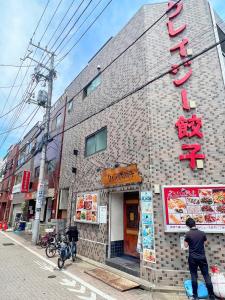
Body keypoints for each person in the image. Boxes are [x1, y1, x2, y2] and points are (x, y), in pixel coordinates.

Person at [184, 218, 215, 300]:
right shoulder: (202, 233)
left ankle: (195, 296)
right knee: (206, 275)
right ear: (195, 224)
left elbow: (185, 246)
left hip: (192, 258)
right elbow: (205, 243)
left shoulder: (188, 234)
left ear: (188, 226)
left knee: (194, 275)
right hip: (202, 257)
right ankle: (211, 296)